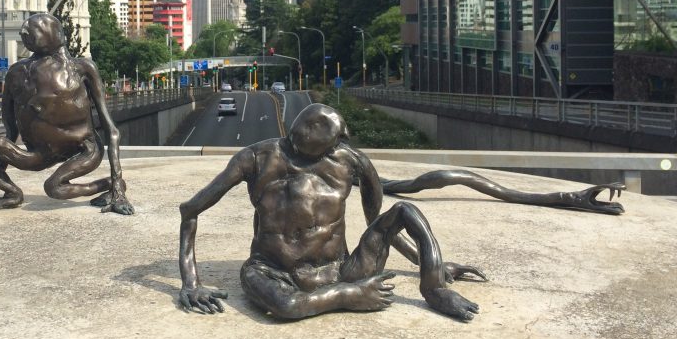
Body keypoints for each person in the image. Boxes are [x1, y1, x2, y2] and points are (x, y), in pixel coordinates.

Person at [177, 103, 481, 320]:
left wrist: (429, 263)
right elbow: (191, 210)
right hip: (273, 271)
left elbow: (379, 223)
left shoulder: (352, 162)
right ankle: (345, 298)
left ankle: (435, 290)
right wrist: (191, 283)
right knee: (288, 307)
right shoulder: (254, 158)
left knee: (406, 210)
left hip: (341, 269)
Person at [0, 12, 133, 215]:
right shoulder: (16, 74)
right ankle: (12, 193)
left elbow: (112, 131)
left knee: (54, 188)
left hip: (84, 151)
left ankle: (108, 186)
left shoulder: (82, 69)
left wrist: (118, 190)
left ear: (57, 34)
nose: (26, 31)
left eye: (37, 28)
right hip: (38, 154)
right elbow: (10, 133)